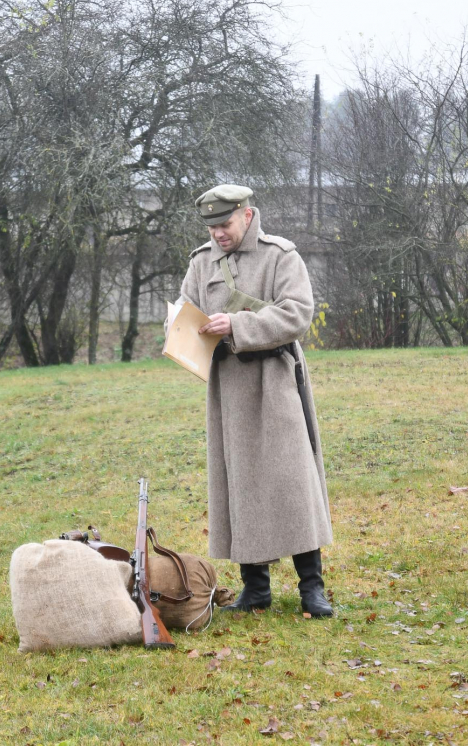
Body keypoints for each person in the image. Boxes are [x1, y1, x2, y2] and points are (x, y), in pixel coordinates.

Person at [176, 183, 334, 618]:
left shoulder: (282, 256)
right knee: (241, 482)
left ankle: (312, 587)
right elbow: (187, 310)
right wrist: (181, 331)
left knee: (292, 482)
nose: (218, 234)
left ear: (246, 215)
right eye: (211, 227)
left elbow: (298, 313)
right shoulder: (201, 261)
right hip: (227, 385)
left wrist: (239, 325)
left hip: (275, 378)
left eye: (224, 224)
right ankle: (255, 589)